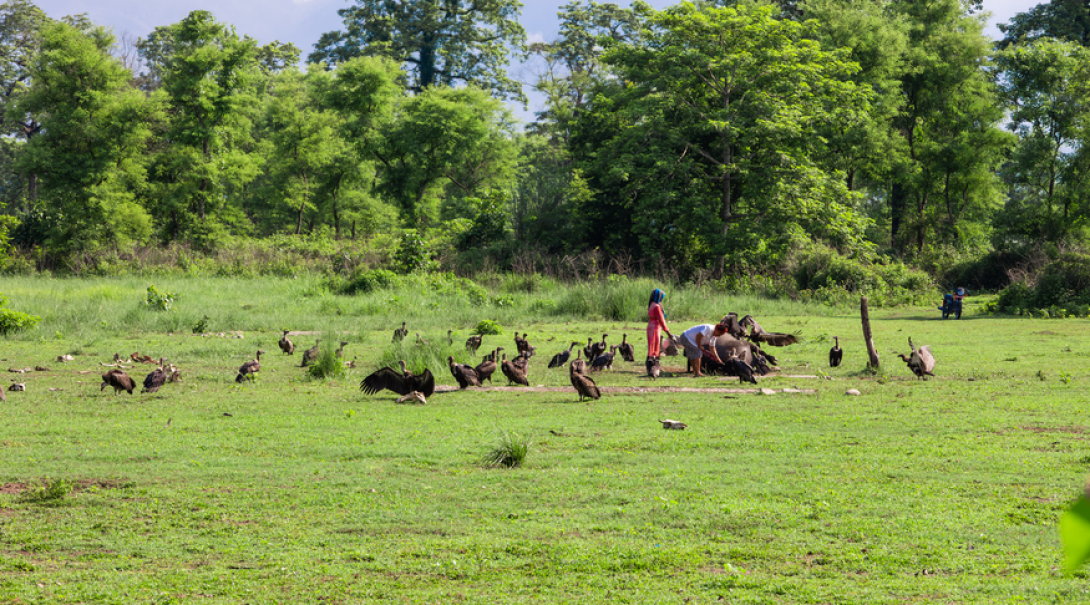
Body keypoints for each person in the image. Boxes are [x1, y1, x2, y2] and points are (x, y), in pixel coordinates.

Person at [646, 289, 674, 376]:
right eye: (662, 297)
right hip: (655, 328)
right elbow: (661, 320)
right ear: (658, 297)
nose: (662, 299)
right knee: (655, 348)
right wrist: (668, 333)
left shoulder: (652, 304)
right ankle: (654, 369)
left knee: (651, 347)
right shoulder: (657, 306)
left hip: (650, 326)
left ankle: (649, 367)